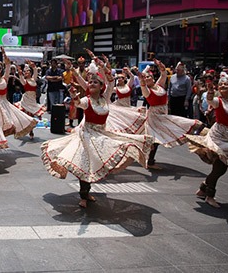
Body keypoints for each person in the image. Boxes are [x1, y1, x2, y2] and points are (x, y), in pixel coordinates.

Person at [41, 62, 153, 208]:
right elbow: (79, 103)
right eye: (90, 82)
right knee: (85, 166)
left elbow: (111, 81)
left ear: (101, 86)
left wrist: (104, 67)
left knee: (105, 158)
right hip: (87, 135)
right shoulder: (87, 100)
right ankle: (83, 195)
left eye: (95, 82)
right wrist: (74, 95)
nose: (92, 83)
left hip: (101, 134)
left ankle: (87, 193)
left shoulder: (104, 98)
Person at [184, 55, 228, 207]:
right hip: (217, 137)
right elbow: (211, 101)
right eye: (220, 86)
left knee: (222, 168)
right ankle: (209, 195)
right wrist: (210, 93)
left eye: (225, 85)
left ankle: (203, 188)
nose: (222, 87)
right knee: (220, 167)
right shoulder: (218, 101)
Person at [138, 60, 206, 170]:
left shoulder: (159, 85)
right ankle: (149, 160)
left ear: (153, 77)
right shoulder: (147, 90)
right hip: (155, 117)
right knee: (156, 139)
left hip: (163, 114)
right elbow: (143, 87)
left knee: (158, 137)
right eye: (145, 78)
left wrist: (161, 66)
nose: (147, 78)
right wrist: (141, 80)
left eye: (148, 76)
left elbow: (164, 74)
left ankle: (148, 159)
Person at [0, 47, 36, 139]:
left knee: (14, 120)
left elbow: (7, 66)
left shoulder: (5, 78)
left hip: (4, 104)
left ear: (0, 70)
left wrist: (4, 54)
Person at [14, 60, 47, 139]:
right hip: (26, 100)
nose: (26, 72)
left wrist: (33, 66)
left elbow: (35, 71)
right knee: (25, 116)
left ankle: (31, 130)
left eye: (28, 71)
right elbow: (21, 76)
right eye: (25, 72)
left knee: (31, 116)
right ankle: (23, 130)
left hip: (32, 100)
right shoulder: (24, 81)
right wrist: (19, 71)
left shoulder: (33, 79)